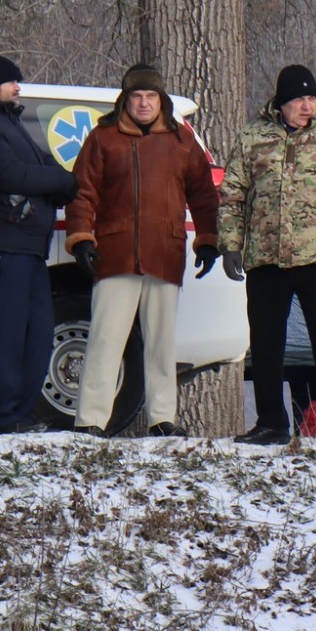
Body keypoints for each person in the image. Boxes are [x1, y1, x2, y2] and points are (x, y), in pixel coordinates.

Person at [219, 64, 316, 444]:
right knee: (266, 342)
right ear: (282, 103)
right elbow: (232, 193)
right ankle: (272, 422)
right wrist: (229, 243)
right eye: (298, 100)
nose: (306, 106)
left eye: (311, 98)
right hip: (265, 257)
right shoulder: (253, 136)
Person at [62, 64, 219, 438]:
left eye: (151, 96)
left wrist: (208, 240)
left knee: (161, 344)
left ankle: (162, 418)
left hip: (164, 253)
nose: (144, 103)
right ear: (125, 100)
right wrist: (82, 236)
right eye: (137, 96)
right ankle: (90, 419)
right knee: (104, 340)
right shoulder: (104, 138)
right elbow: (82, 191)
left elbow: (203, 195)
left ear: (160, 100)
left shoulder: (182, 141)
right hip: (114, 255)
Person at [0, 55, 79, 435]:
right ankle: (1, 417)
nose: (19, 87)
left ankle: (20, 413)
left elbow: (39, 167)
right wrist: (64, 182)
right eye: (13, 81)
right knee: (6, 332)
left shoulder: (7, 121)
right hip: (2, 242)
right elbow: (11, 174)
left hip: (27, 245)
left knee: (37, 331)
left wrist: (61, 181)